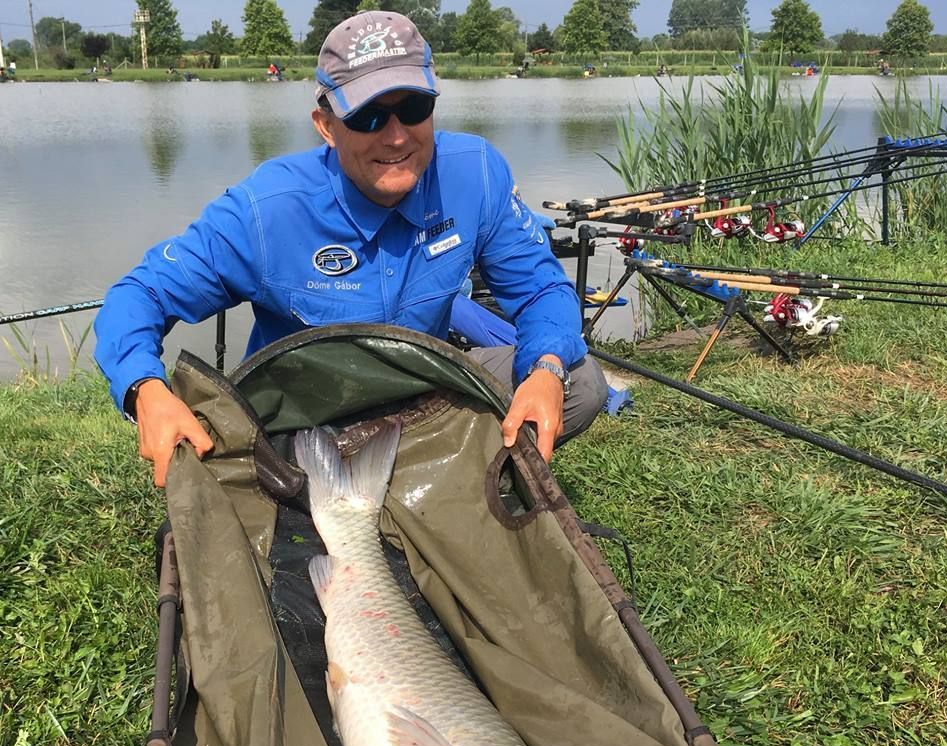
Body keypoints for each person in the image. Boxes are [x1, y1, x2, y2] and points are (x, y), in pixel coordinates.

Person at [94, 10, 607, 487]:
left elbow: (541, 287)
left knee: (579, 382)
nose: (397, 136)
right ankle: (360, 485)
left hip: (422, 391)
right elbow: (139, 295)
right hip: (304, 417)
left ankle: (428, 477)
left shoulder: (475, 173)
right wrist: (146, 390)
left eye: (413, 107)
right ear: (327, 126)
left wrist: (544, 369)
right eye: (367, 117)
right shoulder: (265, 211)